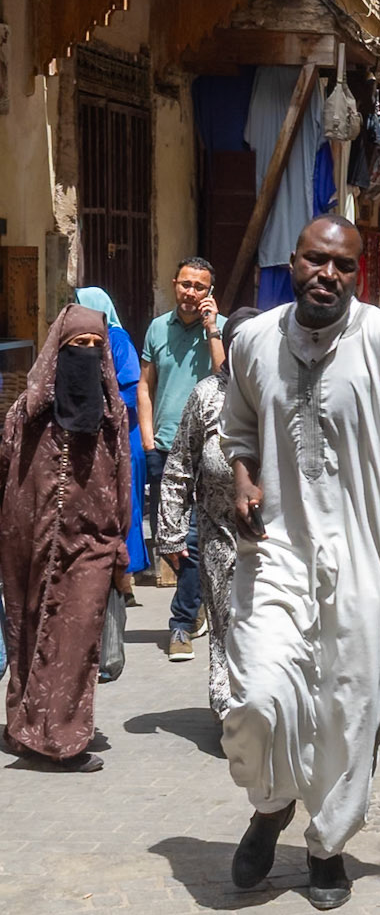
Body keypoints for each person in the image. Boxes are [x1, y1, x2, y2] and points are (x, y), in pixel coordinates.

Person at [222, 217, 380, 909]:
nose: (328, 274)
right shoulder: (254, 340)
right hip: (278, 550)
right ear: (292, 262)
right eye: (315, 260)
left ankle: (327, 849)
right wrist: (243, 477)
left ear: (361, 274)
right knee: (258, 695)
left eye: (343, 266)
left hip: (368, 556)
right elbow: (238, 426)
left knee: (350, 708)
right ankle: (272, 806)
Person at [0, 307, 132, 771]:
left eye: (97, 348)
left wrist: (120, 543)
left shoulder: (113, 413)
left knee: (75, 638)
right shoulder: (28, 413)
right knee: (29, 634)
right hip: (27, 540)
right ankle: (25, 727)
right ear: (59, 350)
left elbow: (122, 479)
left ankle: (61, 740)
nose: (88, 356)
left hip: (90, 542)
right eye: (78, 347)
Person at [154, 307, 260, 720]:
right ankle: (230, 712)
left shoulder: (279, 395)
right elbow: (179, 466)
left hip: (276, 537)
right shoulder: (206, 395)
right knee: (227, 625)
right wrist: (171, 532)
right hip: (219, 534)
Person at [142, 257, 226, 663]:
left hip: (206, 449)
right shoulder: (158, 327)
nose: (191, 293)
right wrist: (146, 440)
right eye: (186, 284)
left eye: (200, 287)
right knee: (169, 537)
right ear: (175, 283)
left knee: (191, 538)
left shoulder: (222, 328)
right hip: (162, 447)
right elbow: (146, 384)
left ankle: (181, 622)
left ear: (210, 291)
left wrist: (213, 329)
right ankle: (196, 604)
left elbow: (224, 374)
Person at [75, 288, 149, 585]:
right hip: (99, 434)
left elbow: (131, 390)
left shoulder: (117, 340)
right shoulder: (85, 341)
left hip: (122, 436)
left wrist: (97, 403)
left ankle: (124, 576)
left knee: (124, 504)